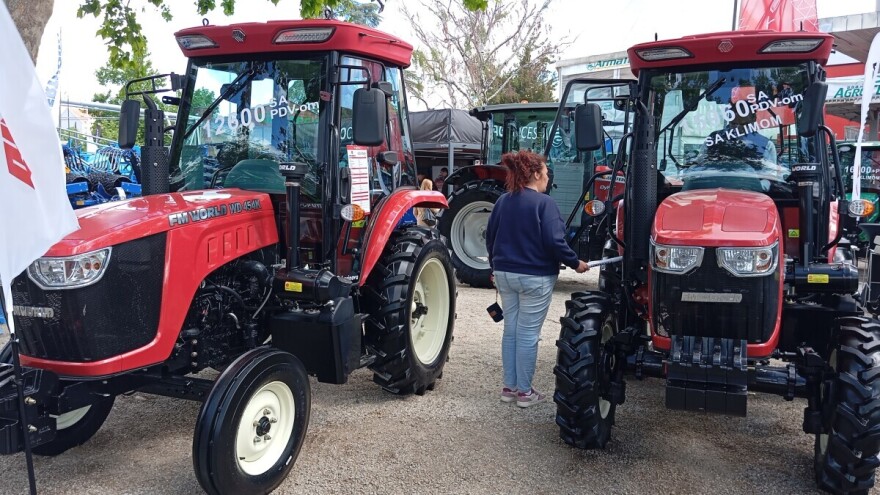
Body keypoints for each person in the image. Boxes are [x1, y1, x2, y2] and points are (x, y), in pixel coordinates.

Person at [486, 150, 589, 408]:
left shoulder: (502, 201)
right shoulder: (546, 204)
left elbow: (490, 236)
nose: (548, 178)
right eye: (545, 173)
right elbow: (555, 241)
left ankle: (509, 388)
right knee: (528, 334)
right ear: (535, 174)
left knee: (511, 330)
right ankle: (525, 393)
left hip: (504, 273)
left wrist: (494, 266)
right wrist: (575, 263)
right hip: (536, 276)